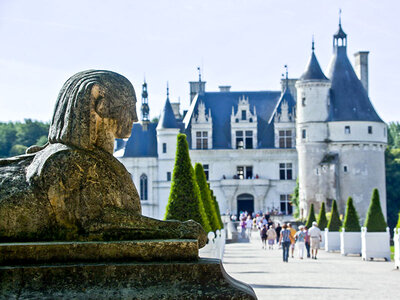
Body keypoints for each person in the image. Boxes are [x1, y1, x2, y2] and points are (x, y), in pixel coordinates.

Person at [0, 70, 207, 246]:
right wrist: (174, 230)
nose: (135, 118)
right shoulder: (66, 163)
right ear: (101, 104)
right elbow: (94, 223)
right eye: (129, 107)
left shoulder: (85, 158)